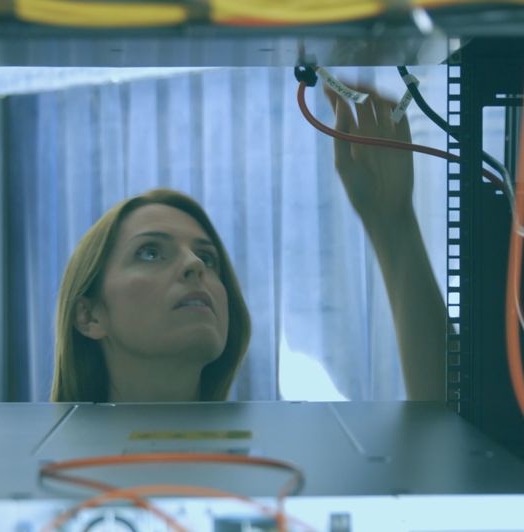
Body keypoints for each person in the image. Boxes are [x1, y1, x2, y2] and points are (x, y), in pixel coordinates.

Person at [50, 88, 448, 403]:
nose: (194, 265)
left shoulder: (287, 450)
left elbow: (450, 436)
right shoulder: (40, 468)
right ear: (88, 316)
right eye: (150, 252)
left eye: (208, 258)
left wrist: (392, 222)